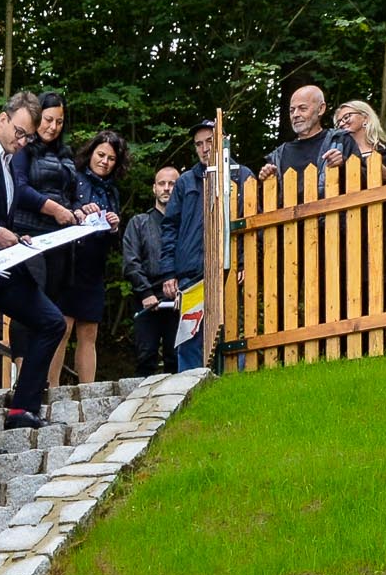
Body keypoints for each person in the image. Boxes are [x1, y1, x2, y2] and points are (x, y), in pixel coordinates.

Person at [0, 93, 68, 431]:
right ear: (3, 118)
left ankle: (22, 409)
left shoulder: (10, 161)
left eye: (28, 137)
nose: (23, 142)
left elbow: (6, 207)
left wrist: (14, 236)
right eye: (20, 132)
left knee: (52, 322)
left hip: (6, 263)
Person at [161, 119, 251, 373]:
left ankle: (231, 386)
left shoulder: (242, 176)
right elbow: (169, 227)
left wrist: (244, 262)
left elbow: (252, 225)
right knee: (189, 339)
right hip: (191, 274)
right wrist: (168, 272)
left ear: (224, 140)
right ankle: (188, 388)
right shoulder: (185, 182)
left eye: (209, 141)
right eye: (198, 144)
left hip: (231, 272)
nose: (204, 148)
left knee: (230, 334)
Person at [9, 94, 89, 353]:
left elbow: (70, 196)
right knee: (29, 305)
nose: (53, 127)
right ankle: (20, 370)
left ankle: (39, 371)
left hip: (60, 241)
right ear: (37, 118)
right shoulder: (22, 150)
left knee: (52, 309)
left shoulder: (66, 155)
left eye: (60, 121)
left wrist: (79, 210)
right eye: (48, 120)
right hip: (28, 237)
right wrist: (54, 209)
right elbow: (19, 189)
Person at [51, 130, 126, 387]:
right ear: (91, 153)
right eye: (101, 155)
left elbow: (115, 242)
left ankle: (88, 390)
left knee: (89, 331)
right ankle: (52, 389)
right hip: (69, 262)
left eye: (111, 158)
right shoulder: (74, 177)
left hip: (94, 267)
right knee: (62, 328)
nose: (105, 162)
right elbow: (60, 209)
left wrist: (114, 226)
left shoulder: (113, 192)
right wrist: (79, 211)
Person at [122, 164, 178, 376]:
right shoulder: (139, 223)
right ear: (154, 188)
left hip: (179, 299)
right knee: (145, 357)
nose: (167, 188)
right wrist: (145, 292)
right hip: (146, 299)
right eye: (162, 183)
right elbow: (131, 262)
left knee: (176, 358)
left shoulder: (186, 224)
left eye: (172, 184)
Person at [259, 86, 341, 192]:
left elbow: (360, 181)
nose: (295, 115)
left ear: (321, 109)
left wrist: (342, 164)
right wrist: (266, 180)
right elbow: (267, 199)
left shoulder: (339, 141)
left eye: (303, 108)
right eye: (292, 110)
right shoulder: (278, 156)